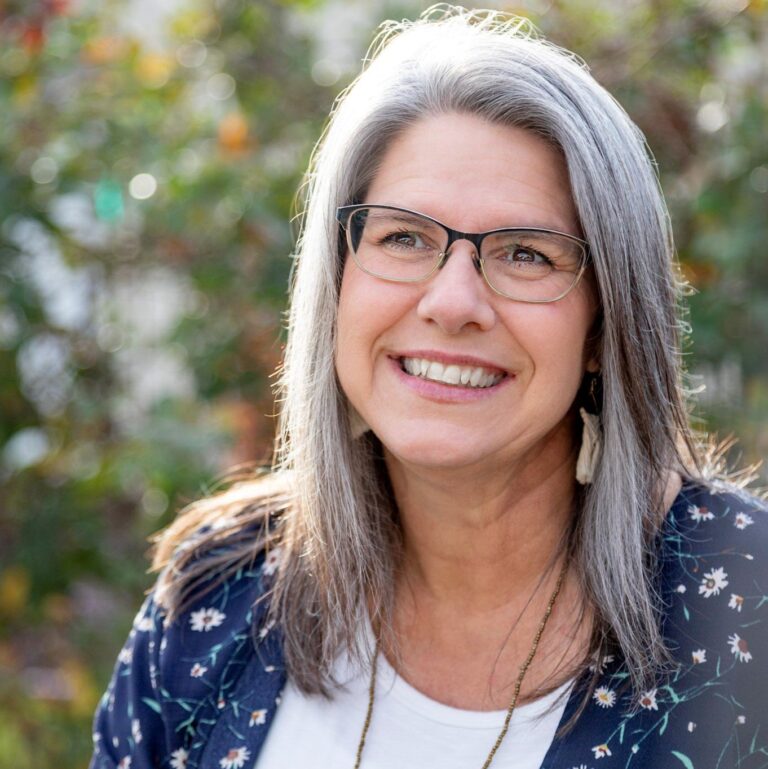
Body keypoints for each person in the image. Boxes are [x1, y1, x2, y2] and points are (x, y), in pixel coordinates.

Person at [90, 7, 767, 769]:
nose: (452, 302)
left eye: (525, 253)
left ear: (605, 326)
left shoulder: (749, 613)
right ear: (336, 284)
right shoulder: (217, 601)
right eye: (403, 237)